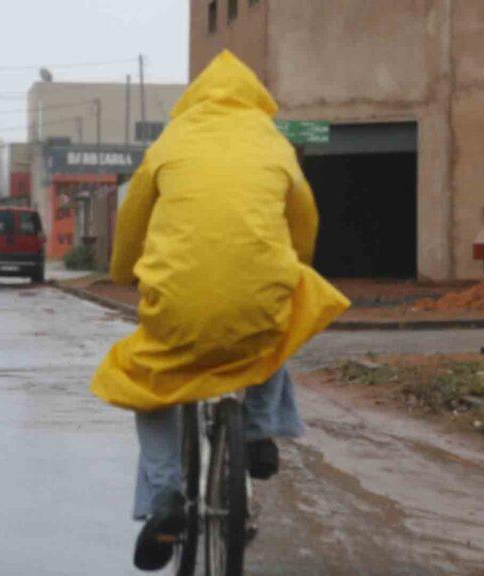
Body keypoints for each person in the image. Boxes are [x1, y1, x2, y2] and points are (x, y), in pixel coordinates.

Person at [90, 50, 350, 571]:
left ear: (194, 98)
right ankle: (256, 430)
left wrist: (124, 274)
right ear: (255, 97)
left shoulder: (171, 142)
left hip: (179, 306)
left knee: (147, 383)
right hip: (255, 302)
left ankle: (165, 494)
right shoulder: (273, 142)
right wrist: (292, 268)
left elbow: (132, 223)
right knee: (283, 316)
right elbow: (305, 223)